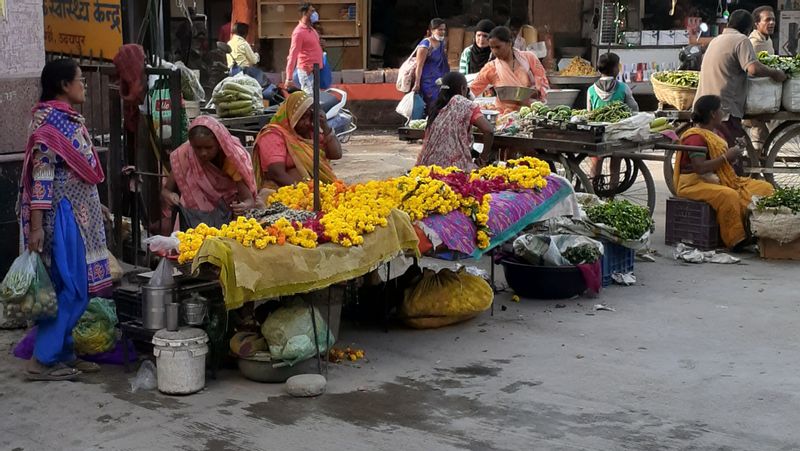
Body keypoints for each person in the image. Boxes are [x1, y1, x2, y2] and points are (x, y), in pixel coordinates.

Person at [19, 59, 111, 380]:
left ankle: (63, 351)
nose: (83, 86)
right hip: (63, 217)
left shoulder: (68, 121)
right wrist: (35, 227)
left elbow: (74, 173)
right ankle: (42, 360)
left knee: (66, 287)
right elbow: (42, 176)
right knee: (74, 289)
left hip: (78, 213)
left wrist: (95, 205)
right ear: (63, 86)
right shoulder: (51, 126)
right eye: (80, 80)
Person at [675, 95, 774, 250]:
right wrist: (726, 157)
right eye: (720, 109)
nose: (723, 112)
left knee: (764, 188)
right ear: (713, 114)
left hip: (716, 179)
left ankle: (758, 231)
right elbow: (700, 168)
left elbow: (722, 162)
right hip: (694, 183)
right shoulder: (695, 137)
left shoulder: (716, 133)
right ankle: (736, 239)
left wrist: (733, 155)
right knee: (729, 195)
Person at [695, 9, 786, 153]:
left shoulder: (716, 40)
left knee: (714, 150)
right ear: (748, 28)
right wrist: (774, 73)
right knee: (731, 153)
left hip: (705, 103)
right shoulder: (742, 40)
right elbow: (753, 68)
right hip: (724, 108)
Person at [161, 116, 258, 229]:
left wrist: (243, 206)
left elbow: (249, 200)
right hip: (194, 219)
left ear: (219, 143)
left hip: (227, 219)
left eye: (209, 147)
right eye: (198, 148)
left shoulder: (231, 160)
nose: (203, 153)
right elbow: (166, 190)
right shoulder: (186, 155)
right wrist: (170, 195)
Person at [253, 91, 342, 194]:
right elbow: (276, 173)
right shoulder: (273, 134)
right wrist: (306, 191)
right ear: (292, 116)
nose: (307, 122)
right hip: (284, 193)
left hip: (316, 192)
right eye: (302, 118)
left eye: (309, 117)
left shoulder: (310, 133)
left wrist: (325, 126)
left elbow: (336, 154)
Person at [416, 72, 495, 171]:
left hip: (428, 170)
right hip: (455, 171)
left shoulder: (436, 107)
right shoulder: (465, 104)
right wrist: (483, 159)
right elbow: (489, 130)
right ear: (463, 88)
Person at [470, 26, 548, 113]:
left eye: (498, 47)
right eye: (492, 48)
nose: (494, 51)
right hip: (504, 116)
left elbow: (542, 81)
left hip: (529, 114)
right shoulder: (491, 67)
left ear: (509, 43)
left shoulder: (529, 58)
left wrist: (535, 92)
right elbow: (473, 90)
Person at [745, 6, 776, 151]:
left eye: (773, 19)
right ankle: (754, 164)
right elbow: (751, 70)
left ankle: (757, 161)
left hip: (766, 92)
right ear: (757, 24)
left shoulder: (767, 40)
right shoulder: (753, 42)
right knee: (758, 132)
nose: (772, 23)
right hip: (754, 94)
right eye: (767, 20)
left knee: (763, 132)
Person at [413, 18, 450, 116]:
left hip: (440, 81)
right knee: (432, 106)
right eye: (439, 30)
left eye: (444, 30)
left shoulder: (442, 43)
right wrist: (417, 84)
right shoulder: (425, 45)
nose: (442, 32)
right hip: (428, 82)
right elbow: (419, 66)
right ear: (432, 30)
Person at [286, 3, 323, 95]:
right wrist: (289, 78)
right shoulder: (298, 32)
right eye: (312, 11)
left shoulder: (312, 30)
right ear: (305, 13)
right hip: (306, 71)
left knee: (316, 97)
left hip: (315, 70)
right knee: (310, 97)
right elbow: (292, 55)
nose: (315, 14)